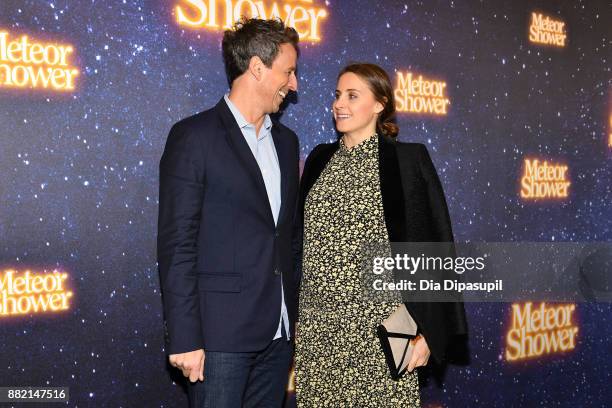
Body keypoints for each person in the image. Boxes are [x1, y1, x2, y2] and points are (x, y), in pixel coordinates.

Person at [294, 63, 467, 407]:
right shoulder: (318, 159)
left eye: (352, 96)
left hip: (382, 334)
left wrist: (430, 334)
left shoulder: (407, 160)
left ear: (379, 103)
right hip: (320, 332)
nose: (339, 104)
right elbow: (300, 244)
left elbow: (436, 247)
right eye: (338, 95)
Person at [157, 18, 301, 408]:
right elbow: (177, 244)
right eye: (288, 71)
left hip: (279, 334)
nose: (294, 84)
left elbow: (287, 237)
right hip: (218, 339)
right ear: (257, 67)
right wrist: (186, 337)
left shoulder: (287, 143)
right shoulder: (194, 137)